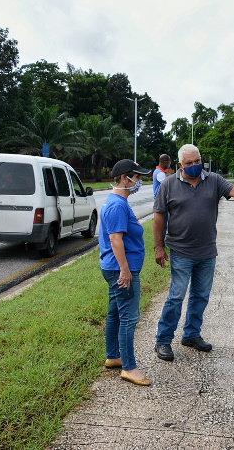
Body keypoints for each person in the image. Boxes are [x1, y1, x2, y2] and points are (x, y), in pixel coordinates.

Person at [153, 144, 234, 361]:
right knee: (176, 296)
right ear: (180, 165)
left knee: (200, 296)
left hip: (207, 251)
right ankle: (163, 340)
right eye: (189, 163)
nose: (194, 166)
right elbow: (159, 217)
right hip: (181, 251)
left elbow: (233, 189)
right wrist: (158, 247)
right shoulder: (169, 185)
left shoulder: (213, 180)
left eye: (197, 162)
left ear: (202, 161)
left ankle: (191, 335)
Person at [99, 159, 153, 386]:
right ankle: (129, 368)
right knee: (129, 317)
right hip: (120, 269)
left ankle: (114, 356)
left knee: (115, 313)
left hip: (116, 268)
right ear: (124, 178)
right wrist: (125, 271)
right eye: (137, 178)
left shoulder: (119, 201)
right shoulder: (117, 205)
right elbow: (115, 240)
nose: (139, 182)